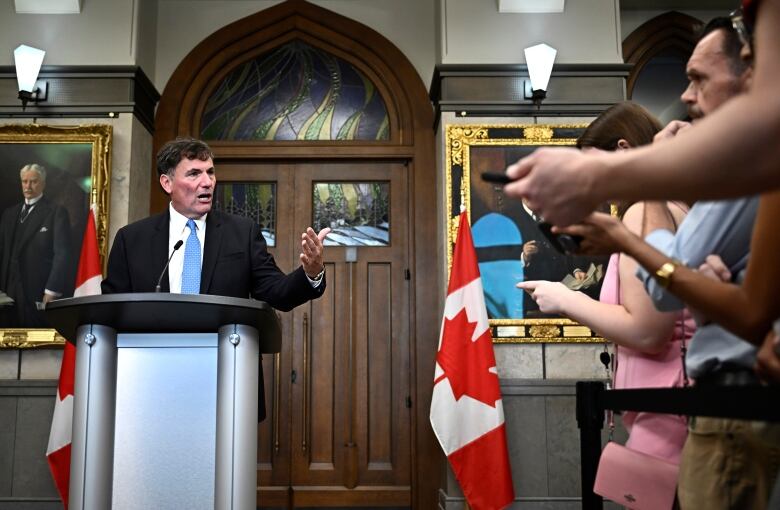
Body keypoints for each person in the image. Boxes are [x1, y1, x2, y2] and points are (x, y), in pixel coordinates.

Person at [101, 138, 330, 418]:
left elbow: (276, 291)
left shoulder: (241, 233)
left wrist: (311, 272)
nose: (207, 182)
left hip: (227, 380)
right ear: (167, 183)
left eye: (210, 172)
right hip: (150, 383)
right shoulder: (132, 239)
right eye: (194, 173)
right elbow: (111, 311)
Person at [519, 102, 693, 468]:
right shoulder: (675, 205)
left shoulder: (645, 211)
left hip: (669, 408)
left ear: (623, 150)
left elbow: (648, 331)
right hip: (672, 403)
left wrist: (565, 299)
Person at [502, 1, 778, 227]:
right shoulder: (727, 184)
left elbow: (659, 290)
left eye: (700, 78)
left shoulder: (758, 175)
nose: (686, 96)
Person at [0, 164, 72, 327]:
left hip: (37, 290)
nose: (28, 186)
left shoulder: (55, 212)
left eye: (33, 182)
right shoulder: (9, 214)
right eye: (24, 182)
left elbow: (63, 254)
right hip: (7, 291)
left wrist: (51, 291)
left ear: (43, 184)